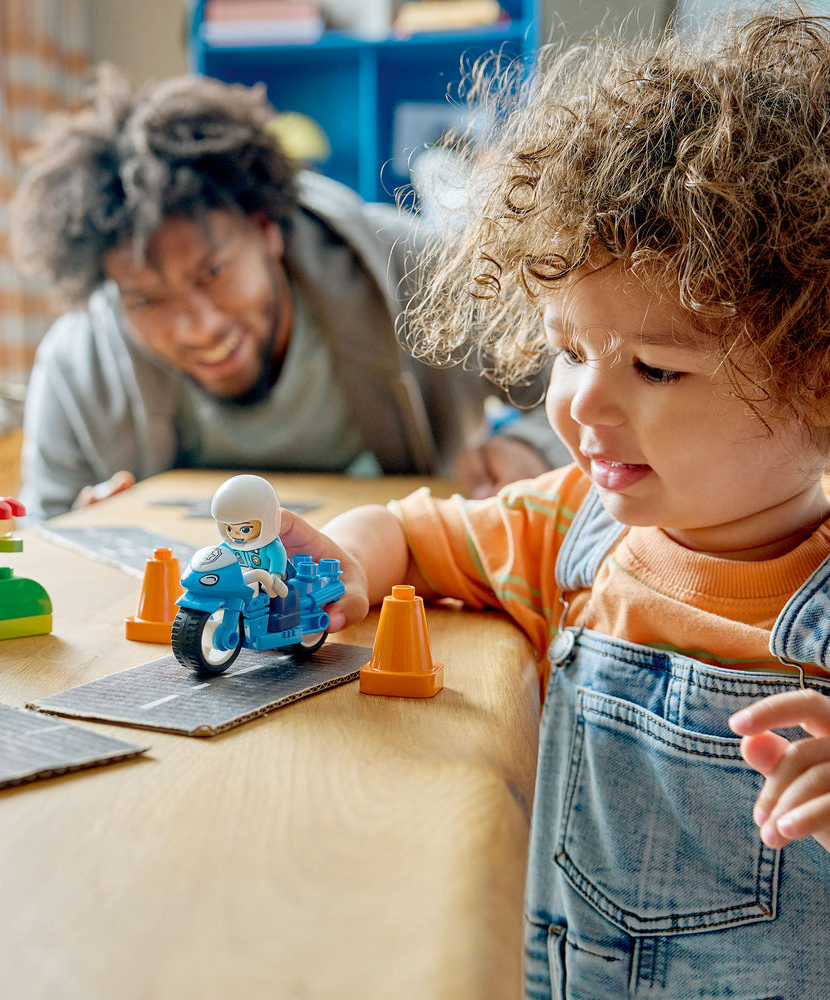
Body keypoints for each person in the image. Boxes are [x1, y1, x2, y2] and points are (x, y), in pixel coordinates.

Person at [276, 9, 830, 997]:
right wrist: (344, 562)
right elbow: (411, 533)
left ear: (815, 385)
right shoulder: (570, 526)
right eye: (568, 351)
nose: (579, 403)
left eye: (654, 368)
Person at [10, 68, 566, 521]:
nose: (198, 326)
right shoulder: (76, 361)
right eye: (148, 300)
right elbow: (48, 531)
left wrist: (532, 447)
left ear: (266, 228)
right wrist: (86, 533)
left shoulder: (420, 271)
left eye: (213, 272)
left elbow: (580, 375)